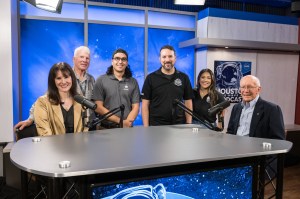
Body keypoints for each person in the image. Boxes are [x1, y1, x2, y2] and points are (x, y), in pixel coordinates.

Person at [14, 46, 95, 131]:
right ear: (74, 59)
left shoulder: (91, 79)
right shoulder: (64, 76)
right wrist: (30, 119)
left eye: (87, 58)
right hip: (67, 127)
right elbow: (42, 102)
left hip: (87, 127)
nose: (84, 60)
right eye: (81, 57)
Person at [141, 45, 193, 126]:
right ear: (160, 59)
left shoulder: (184, 77)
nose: (167, 60)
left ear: (175, 58)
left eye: (170, 56)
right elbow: (145, 104)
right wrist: (146, 127)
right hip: (156, 125)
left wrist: (189, 123)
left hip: (179, 124)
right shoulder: (151, 78)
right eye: (164, 57)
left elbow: (188, 101)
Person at [34, 62, 88, 136]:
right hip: (53, 146)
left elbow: (86, 129)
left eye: (66, 77)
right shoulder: (42, 102)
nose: (63, 82)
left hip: (79, 146)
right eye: (59, 78)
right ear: (53, 81)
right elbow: (45, 133)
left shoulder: (81, 100)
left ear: (72, 78)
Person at [92, 48, 140, 128]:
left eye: (123, 59)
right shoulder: (101, 80)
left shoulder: (133, 82)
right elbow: (98, 107)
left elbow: (136, 107)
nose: (120, 62)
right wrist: (121, 122)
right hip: (105, 129)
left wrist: (127, 123)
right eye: (117, 59)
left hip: (127, 128)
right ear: (112, 61)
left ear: (127, 62)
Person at [227, 75, 285, 140]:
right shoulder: (236, 108)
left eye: (250, 87)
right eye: (243, 87)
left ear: (258, 89)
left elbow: (278, 139)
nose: (246, 91)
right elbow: (230, 132)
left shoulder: (272, 109)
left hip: (257, 149)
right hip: (235, 147)